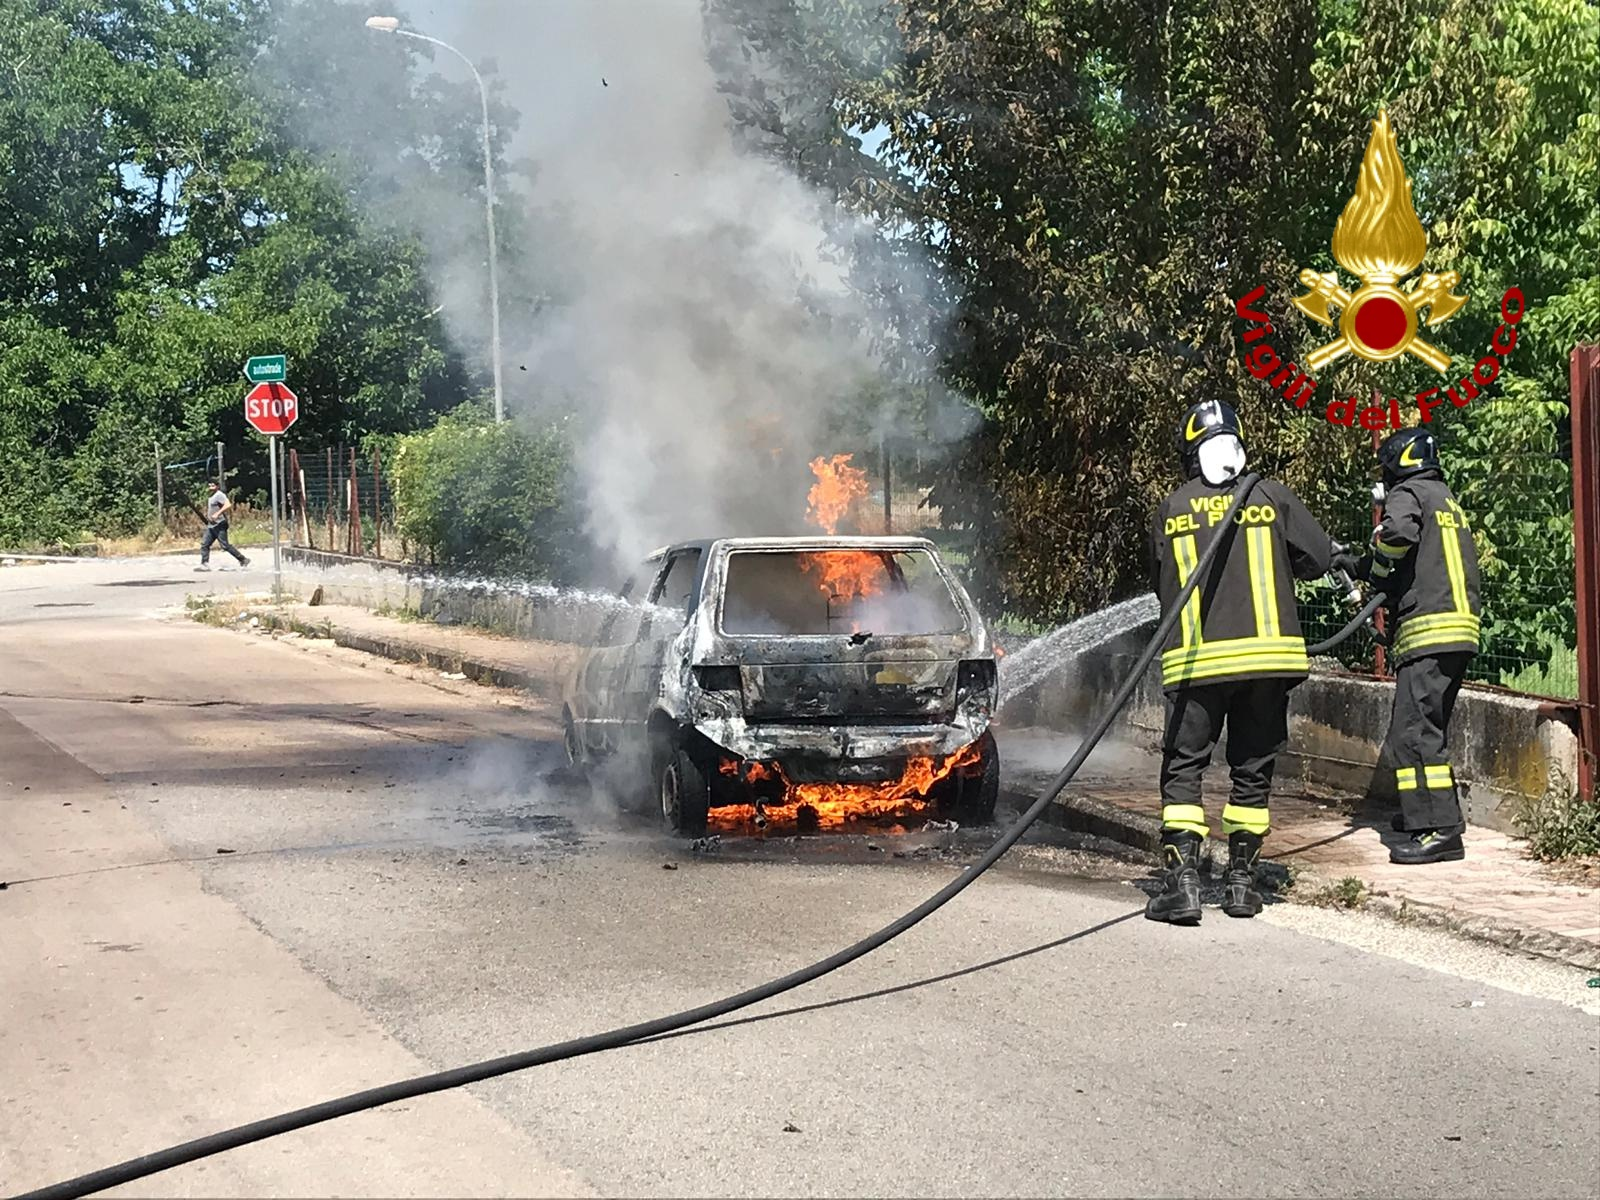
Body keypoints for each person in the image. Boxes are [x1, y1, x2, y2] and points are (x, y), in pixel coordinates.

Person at [1146, 400, 1337, 924]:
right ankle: (1240, 885)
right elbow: (1318, 559)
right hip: (1268, 665)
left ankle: (1182, 884)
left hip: (1196, 665)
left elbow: (1159, 582)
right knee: (1252, 772)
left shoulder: (1173, 506)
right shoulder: (1269, 496)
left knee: (1184, 770)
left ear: (1190, 453)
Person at [1357, 428, 1480, 865]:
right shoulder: (1445, 499)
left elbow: (1396, 537)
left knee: (1411, 734)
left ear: (1397, 464)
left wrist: (1375, 572)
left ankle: (1441, 832)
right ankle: (1424, 815)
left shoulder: (1408, 493)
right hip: (1459, 633)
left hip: (1429, 632)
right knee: (1429, 731)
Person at [197, 481, 250, 571]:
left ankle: (243, 559)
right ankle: (204, 564)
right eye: (209, 485)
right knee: (205, 544)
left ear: (217, 486)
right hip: (212, 525)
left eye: (213, 485)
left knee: (225, 545)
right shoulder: (211, 496)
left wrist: (217, 514)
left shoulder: (219, 495)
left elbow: (228, 505)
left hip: (220, 524)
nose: (210, 486)